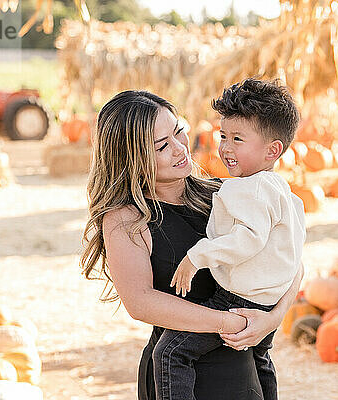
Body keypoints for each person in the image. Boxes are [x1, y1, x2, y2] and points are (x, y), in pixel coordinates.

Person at [81, 89, 304, 400]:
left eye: (178, 132)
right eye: (162, 146)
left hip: (242, 376)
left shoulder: (226, 193)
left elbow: (291, 259)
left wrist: (272, 318)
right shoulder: (126, 219)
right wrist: (229, 322)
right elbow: (139, 301)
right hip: (177, 377)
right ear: (130, 157)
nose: (179, 149)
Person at [153, 78, 306, 400]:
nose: (226, 147)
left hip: (239, 297)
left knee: (170, 354)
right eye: (224, 136)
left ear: (272, 149)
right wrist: (274, 313)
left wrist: (198, 255)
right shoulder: (282, 191)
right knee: (261, 358)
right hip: (265, 300)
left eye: (238, 139)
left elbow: (247, 239)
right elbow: (294, 252)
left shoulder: (247, 188)